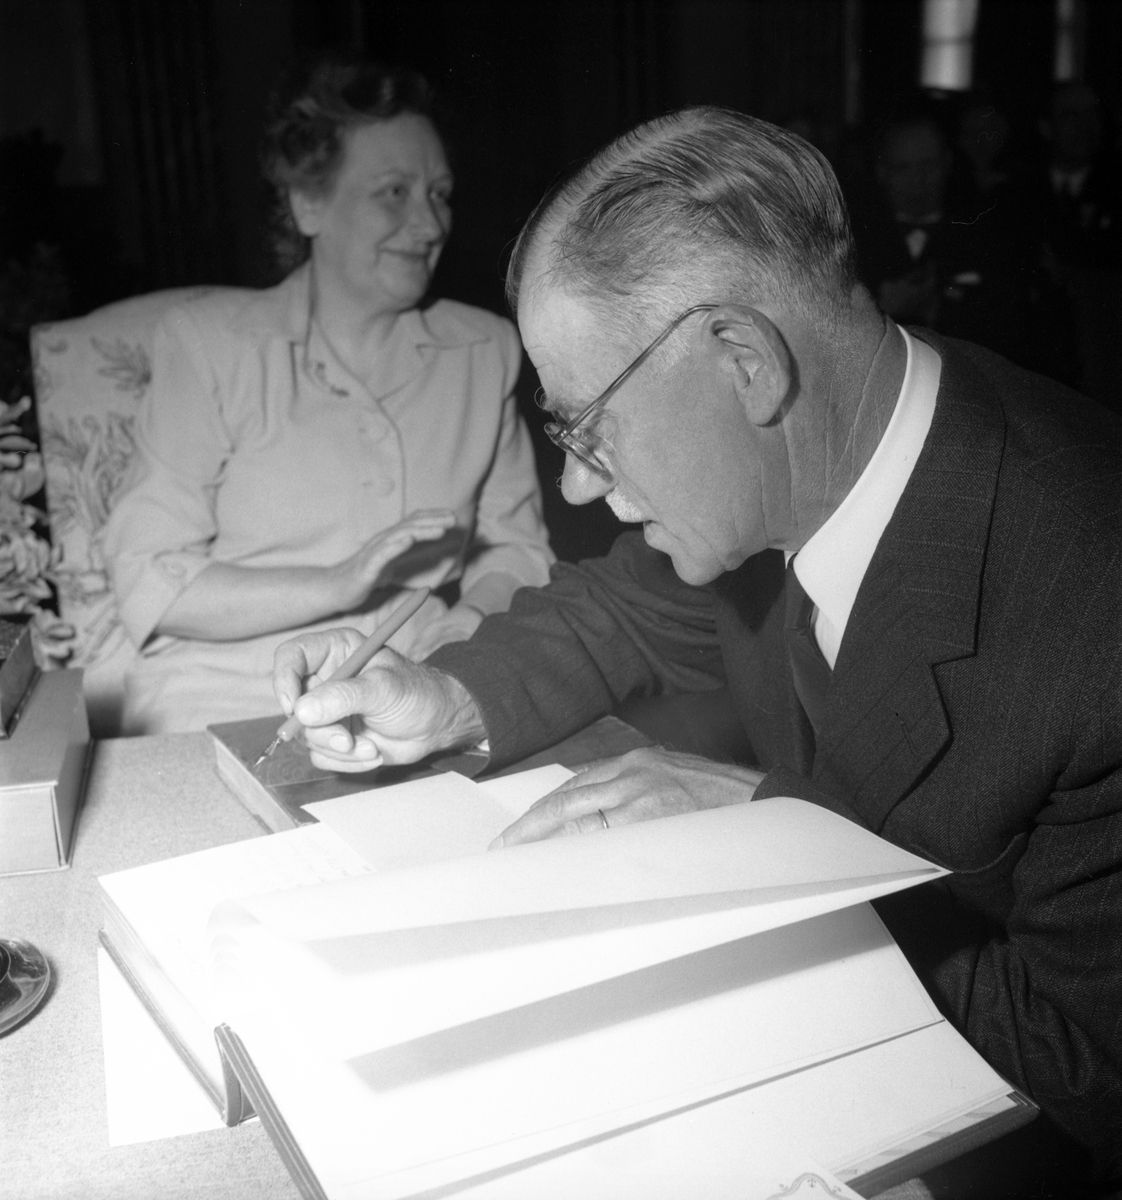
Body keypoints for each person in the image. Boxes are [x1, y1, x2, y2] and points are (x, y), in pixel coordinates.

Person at [272, 108, 1122, 1191]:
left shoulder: (1093, 608)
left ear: (745, 361)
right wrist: (444, 694)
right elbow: (625, 609)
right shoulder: (813, 453)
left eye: (587, 426)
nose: (575, 483)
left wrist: (773, 845)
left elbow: (1093, 1070)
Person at [102, 58, 554, 733]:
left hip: (411, 679)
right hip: (223, 691)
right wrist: (338, 583)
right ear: (308, 203)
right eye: (394, 192)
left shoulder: (484, 351)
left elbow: (515, 551)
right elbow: (151, 579)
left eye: (439, 193)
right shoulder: (209, 346)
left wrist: (462, 627)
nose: (430, 224)